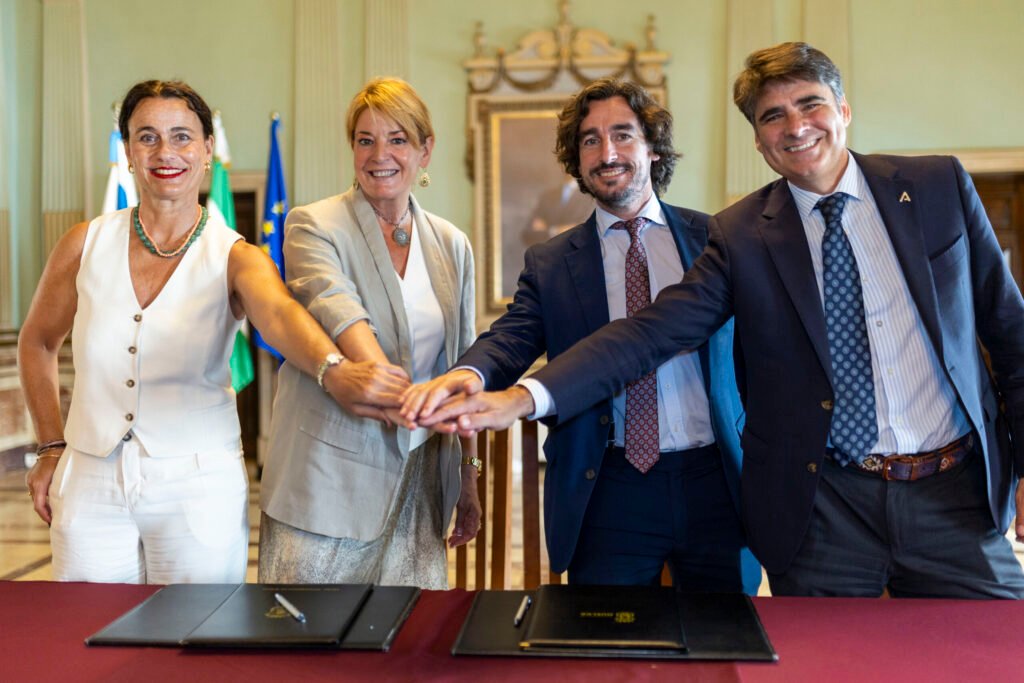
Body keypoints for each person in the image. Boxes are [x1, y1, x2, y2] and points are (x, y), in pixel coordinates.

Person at [419, 43, 1024, 599]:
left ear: (843, 109)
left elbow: (1011, 333)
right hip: (824, 506)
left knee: (990, 652)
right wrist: (522, 397)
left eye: (810, 104)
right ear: (758, 142)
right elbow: (648, 333)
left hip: (952, 494)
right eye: (772, 116)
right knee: (817, 660)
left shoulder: (936, 186)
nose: (795, 127)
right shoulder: (744, 236)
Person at [404, 78, 760, 592]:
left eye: (623, 135)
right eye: (591, 140)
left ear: (653, 148)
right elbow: (512, 337)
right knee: (604, 638)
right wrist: (470, 374)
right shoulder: (551, 263)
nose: (607, 152)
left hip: (717, 482)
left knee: (726, 638)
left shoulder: (716, 239)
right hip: (608, 490)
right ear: (577, 161)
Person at [19, 79, 376, 584]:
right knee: (87, 626)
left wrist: (334, 369)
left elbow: (280, 315)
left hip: (198, 485)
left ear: (207, 150)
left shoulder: (236, 255)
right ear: (128, 152)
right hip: (89, 480)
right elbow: (37, 342)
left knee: (197, 628)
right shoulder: (84, 243)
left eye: (182, 136)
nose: (165, 152)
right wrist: (51, 446)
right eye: (147, 137)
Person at [257, 78, 480, 589]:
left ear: (425, 150)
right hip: (326, 480)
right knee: (308, 631)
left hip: (423, 479)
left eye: (397, 139)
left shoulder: (452, 243)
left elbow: (463, 366)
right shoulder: (314, 225)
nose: (380, 155)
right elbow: (340, 313)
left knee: (410, 631)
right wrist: (404, 396)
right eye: (365, 140)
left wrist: (468, 474)